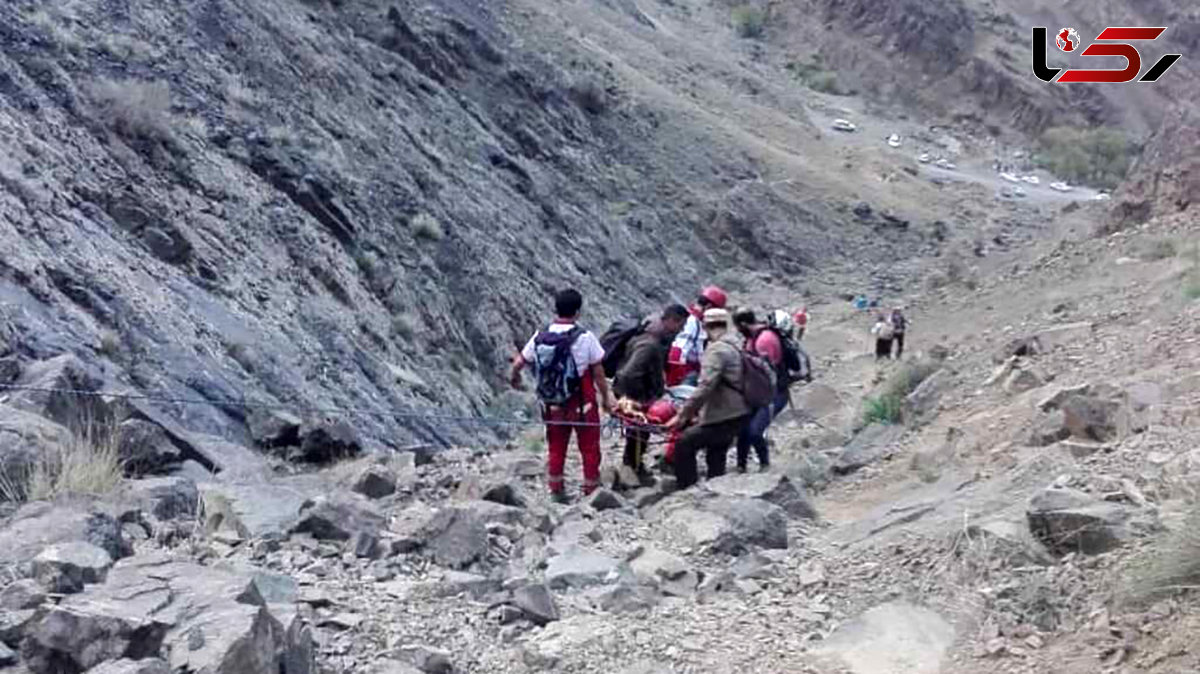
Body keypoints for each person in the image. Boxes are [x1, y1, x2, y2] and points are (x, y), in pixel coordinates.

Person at [510, 288, 613, 503]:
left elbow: (520, 362)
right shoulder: (585, 338)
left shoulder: (541, 335)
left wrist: (515, 378)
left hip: (552, 403)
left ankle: (556, 490)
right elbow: (598, 373)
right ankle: (591, 492)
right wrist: (606, 399)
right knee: (589, 448)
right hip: (581, 405)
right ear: (577, 311)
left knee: (556, 446)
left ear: (555, 309)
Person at [664, 308, 751, 489]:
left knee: (684, 444)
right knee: (716, 452)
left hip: (724, 413)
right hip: (738, 412)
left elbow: (705, 387)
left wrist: (682, 415)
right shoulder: (735, 344)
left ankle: (687, 489)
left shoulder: (716, 350)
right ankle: (715, 488)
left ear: (705, 326)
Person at [613, 304, 689, 486]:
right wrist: (636, 400)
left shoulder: (652, 337)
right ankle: (632, 469)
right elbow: (628, 374)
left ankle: (633, 466)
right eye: (681, 325)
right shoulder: (650, 344)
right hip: (636, 396)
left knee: (639, 433)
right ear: (672, 320)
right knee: (638, 432)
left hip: (637, 394)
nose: (682, 330)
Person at [732, 309, 787, 473]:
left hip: (772, 393)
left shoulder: (764, 340)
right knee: (743, 430)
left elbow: (767, 371)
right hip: (759, 392)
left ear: (742, 324)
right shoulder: (752, 339)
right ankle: (741, 466)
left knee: (755, 431)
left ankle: (765, 465)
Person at [666, 286, 728, 387]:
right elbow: (677, 352)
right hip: (684, 374)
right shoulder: (691, 322)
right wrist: (674, 382)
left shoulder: (697, 322)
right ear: (708, 307)